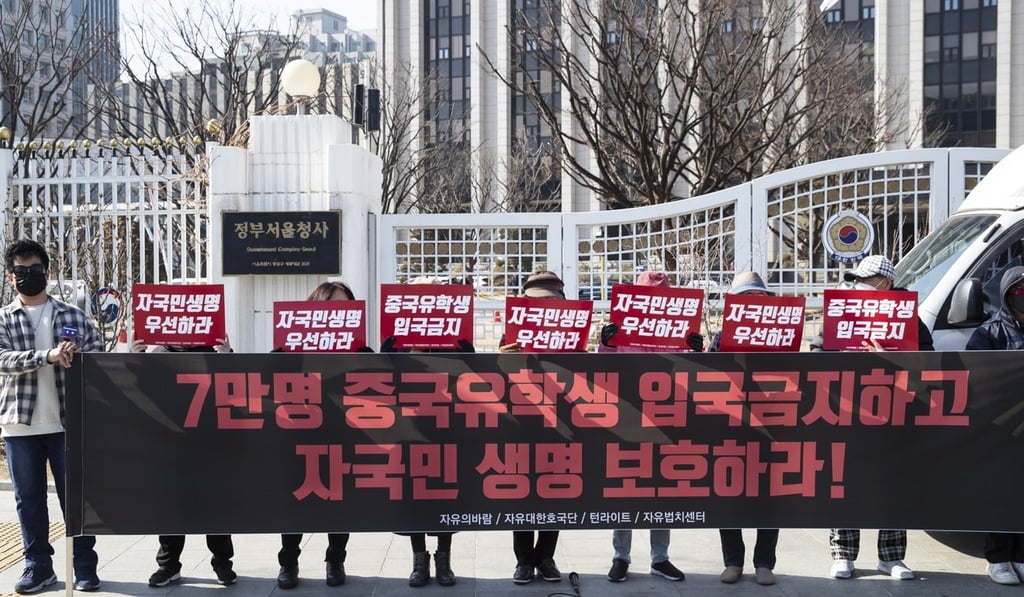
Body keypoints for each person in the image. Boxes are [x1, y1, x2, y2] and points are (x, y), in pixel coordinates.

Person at [811, 254, 933, 581]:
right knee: (846, 481)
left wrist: (891, 358)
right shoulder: (839, 313)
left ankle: (891, 557)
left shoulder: (910, 319)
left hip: (895, 413)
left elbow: (930, 364)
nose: (858, 286)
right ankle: (843, 554)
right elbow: (817, 356)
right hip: (847, 412)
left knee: (893, 484)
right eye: (856, 280)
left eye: (866, 280)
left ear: (887, 283)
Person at [0, 239, 102, 593]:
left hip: (67, 423)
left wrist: (79, 359)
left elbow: (98, 361)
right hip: (20, 424)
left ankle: (85, 567)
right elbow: (2, 360)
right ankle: (37, 566)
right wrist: (49, 355)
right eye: (21, 272)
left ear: (48, 272)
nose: (28, 276)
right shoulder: (3, 318)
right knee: (28, 499)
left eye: (35, 270)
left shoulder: (73, 314)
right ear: (11, 277)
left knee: (76, 497)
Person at [598, 270, 695, 584]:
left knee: (662, 490)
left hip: (668, 419)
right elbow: (605, 373)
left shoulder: (678, 331)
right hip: (628, 420)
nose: (653, 303)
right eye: (647, 298)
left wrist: (696, 350)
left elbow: (693, 374)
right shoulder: (624, 333)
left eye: (660, 298)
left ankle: (660, 558)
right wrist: (607, 345)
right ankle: (620, 557)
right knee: (625, 488)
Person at [380, 275, 467, 588]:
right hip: (408, 434)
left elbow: (473, 384)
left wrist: (468, 356)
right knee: (413, 495)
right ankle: (419, 559)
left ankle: (444, 559)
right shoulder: (398, 345)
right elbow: (379, 384)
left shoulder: (453, 342)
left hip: (447, 432)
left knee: (444, 495)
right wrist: (385, 356)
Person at [134, 337, 237, 587]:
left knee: (214, 504)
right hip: (169, 440)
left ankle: (222, 563)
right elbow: (138, 389)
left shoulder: (214, 348)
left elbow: (234, 385)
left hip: (210, 440)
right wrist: (134, 356)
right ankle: (168, 566)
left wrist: (227, 354)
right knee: (170, 504)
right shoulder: (157, 350)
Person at [276, 281, 356, 590]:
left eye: (345, 308)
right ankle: (288, 561)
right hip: (300, 433)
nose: (338, 314)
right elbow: (265, 369)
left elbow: (379, 372)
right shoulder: (292, 344)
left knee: (338, 501)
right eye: (332, 306)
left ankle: (335, 559)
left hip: (342, 434)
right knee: (296, 499)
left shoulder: (357, 346)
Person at [707, 272, 780, 586]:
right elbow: (706, 374)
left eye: (757, 297)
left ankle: (765, 562)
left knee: (770, 494)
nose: (752, 303)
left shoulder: (781, 331)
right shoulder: (722, 336)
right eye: (744, 297)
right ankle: (732, 560)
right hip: (731, 424)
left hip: (773, 423)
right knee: (729, 493)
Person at [499, 271, 569, 585]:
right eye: (538, 301)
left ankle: (546, 557)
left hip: (562, 425)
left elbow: (589, 374)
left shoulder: (572, 331)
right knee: (523, 493)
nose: (545, 307)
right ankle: (523, 560)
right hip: (522, 424)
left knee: (555, 491)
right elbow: (499, 375)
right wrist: (506, 357)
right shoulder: (510, 333)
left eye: (551, 301)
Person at [966, 266, 1024, 585]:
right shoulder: (989, 333)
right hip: (1003, 428)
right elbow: (976, 375)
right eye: (1020, 292)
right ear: (1007, 296)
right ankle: (999, 558)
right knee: (1003, 492)